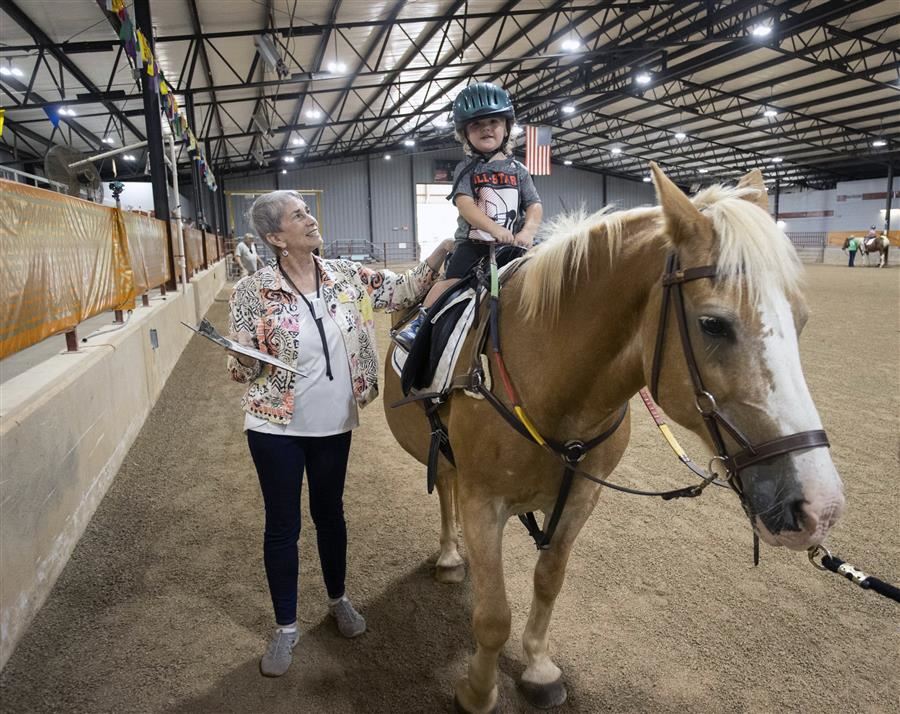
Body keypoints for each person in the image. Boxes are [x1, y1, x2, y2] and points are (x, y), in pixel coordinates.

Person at [227, 190, 453, 677]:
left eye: (308, 211)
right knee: (283, 526)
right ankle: (285, 627)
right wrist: (243, 357)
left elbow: (403, 290)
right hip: (275, 426)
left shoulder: (347, 275)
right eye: (297, 215)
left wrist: (442, 249)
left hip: (334, 424)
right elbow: (239, 367)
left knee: (330, 515)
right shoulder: (253, 290)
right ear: (275, 237)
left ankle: (338, 600)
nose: (310, 219)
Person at [394, 82, 542, 350]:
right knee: (451, 281)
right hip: (474, 245)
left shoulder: (520, 170)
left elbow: (534, 204)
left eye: (494, 121)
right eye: (477, 124)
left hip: (514, 245)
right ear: (465, 134)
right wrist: (494, 229)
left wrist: (528, 231)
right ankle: (420, 324)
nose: (486, 128)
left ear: (506, 127)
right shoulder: (467, 169)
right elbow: (465, 205)